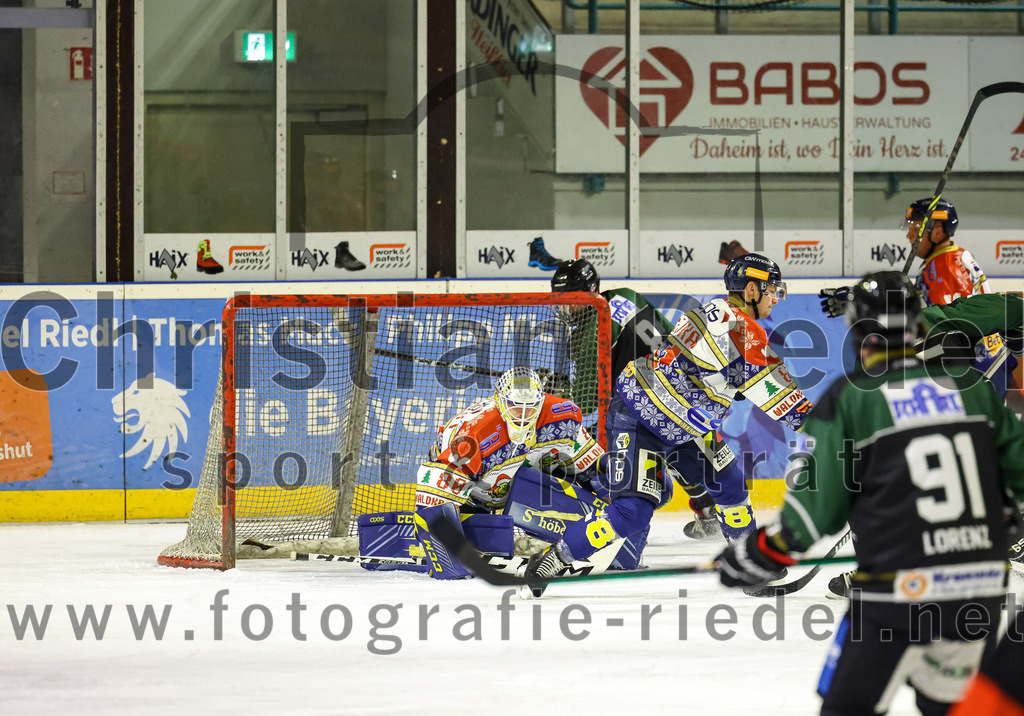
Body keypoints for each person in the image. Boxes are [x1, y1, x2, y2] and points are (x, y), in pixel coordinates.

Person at [716, 271, 1024, 716]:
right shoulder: (973, 389)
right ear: (919, 318)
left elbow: (811, 514)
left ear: (858, 331)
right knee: (948, 706)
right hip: (978, 588)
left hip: (898, 593)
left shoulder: (850, 397)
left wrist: (759, 553)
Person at [524, 253, 814, 590]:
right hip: (638, 422)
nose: (776, 297)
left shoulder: (712, 310)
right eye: (771, 289)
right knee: (631, 512)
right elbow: (790, 407)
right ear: (751, 290)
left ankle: (748, 564)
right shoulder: (743, 334)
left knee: (731, 485)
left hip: (683, 427)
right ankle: (555, 557)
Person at [550, 259, 723, 539]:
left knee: (652, 448)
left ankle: (625, 519)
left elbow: (586, 401)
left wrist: (560, 392)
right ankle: (715, 509)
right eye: (561, 299)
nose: (566, 307)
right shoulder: (625, 294)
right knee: (688, 446)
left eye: (572, 299)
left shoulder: (591, 335)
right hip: (684, 378)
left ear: (591, 292)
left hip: (651, 395)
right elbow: (670, 332)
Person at [820, 198, 1018, 397]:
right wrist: (867, 300)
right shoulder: (946, 259)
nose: (909, 235)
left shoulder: (944, 266)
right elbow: (921, 306)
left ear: (938, 231)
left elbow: (955, 325)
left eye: (915, 228)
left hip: (979, 366)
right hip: (984, 363)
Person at [414, 366, 603, 513]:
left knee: (564, 475)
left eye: (530, 407)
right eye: (515, 407)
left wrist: (612, 508)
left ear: (541, 402)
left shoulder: (562, 418)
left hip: (514, 489)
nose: (522, 415)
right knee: (470, 537)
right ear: (499, 401)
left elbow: (591, 470)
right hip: (471, 493)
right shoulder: (477, 433)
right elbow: (439, 486)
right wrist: (438, 531)